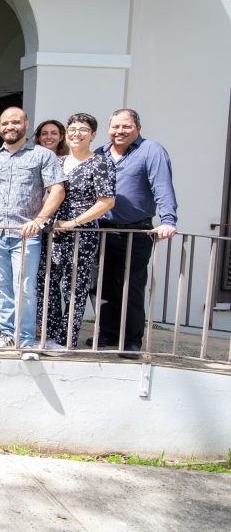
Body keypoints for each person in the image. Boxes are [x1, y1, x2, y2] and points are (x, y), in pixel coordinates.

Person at [0, 107, 66, 353]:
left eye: (15, 122)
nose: (10, 127)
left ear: (25, 124)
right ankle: (7, 334)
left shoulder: (41, 155)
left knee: (25, 288)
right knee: (2, 288)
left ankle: (25, 340)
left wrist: (39, 220)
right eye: (5, 123)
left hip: (25, 236)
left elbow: (57, 190)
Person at [93, 108, 177, 355]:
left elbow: (162, 187)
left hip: (135, 231)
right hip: (102, 230)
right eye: (116, 127)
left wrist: (168, 219)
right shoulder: (100, 154)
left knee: (131, 285)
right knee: (102, 286)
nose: (120, 131)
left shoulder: (151, 150)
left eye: (126, 126)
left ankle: (130, 341)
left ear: (137, 128)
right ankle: (108, 335)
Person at [36, 113, 115, 351]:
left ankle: (66, 339)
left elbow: (107, 201)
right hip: (52, 231)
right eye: (72, 129)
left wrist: (74, 222)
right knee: (46, 282)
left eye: (82, 129)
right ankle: (47, 335)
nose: (76, 133)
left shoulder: (101, 162)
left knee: (73, 287)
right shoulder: (57, 162)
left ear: (92, 135)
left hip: (82, 233)